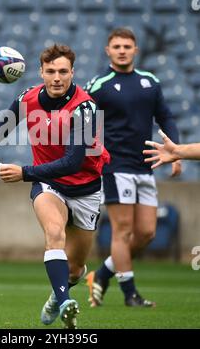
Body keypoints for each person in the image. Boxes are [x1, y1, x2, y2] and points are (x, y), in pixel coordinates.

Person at [0, 44, 110, 329]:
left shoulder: (85, 108)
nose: (56, 77)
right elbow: (5, 122)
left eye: (62, 71)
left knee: (75, 268)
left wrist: (24, 172)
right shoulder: (28, 97)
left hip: (86, 188)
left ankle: (57, 295)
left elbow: (72, 162)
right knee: (54, 232)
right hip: (49, 185)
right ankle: (65, 302)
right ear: (40, 72)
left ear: (73, 73)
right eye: (50, 71)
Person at [84, 28, 181, 308]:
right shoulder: (99, 84)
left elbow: (166, 117)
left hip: (145, 165)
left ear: (136, 50)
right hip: (115, 167)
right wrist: (93, 162)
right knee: (123, 231)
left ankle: (101, 274)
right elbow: (87, 126)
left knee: (147, 233)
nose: (122, 50)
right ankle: (130, 295)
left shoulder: (150, 82)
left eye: (127, 46)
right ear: (108, 50)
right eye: (117, 46)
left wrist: (174, 153)